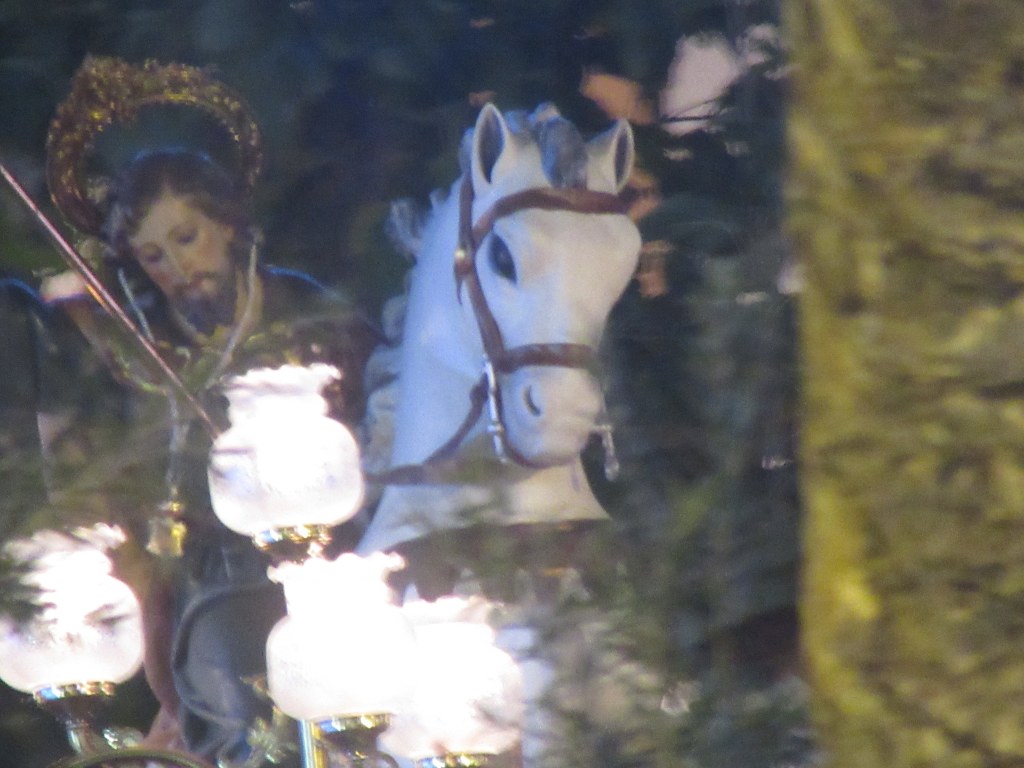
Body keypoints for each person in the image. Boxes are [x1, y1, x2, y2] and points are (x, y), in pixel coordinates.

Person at [38, 57, 378, 764]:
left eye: (186, 238)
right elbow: (114, 494)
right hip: (210, 590)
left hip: (347, 573)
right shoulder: (136, 353)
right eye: (154, 256)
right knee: (229, 677)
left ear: (227, 223)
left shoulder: (309, 312)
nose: (176, 269)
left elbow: (385, 426)